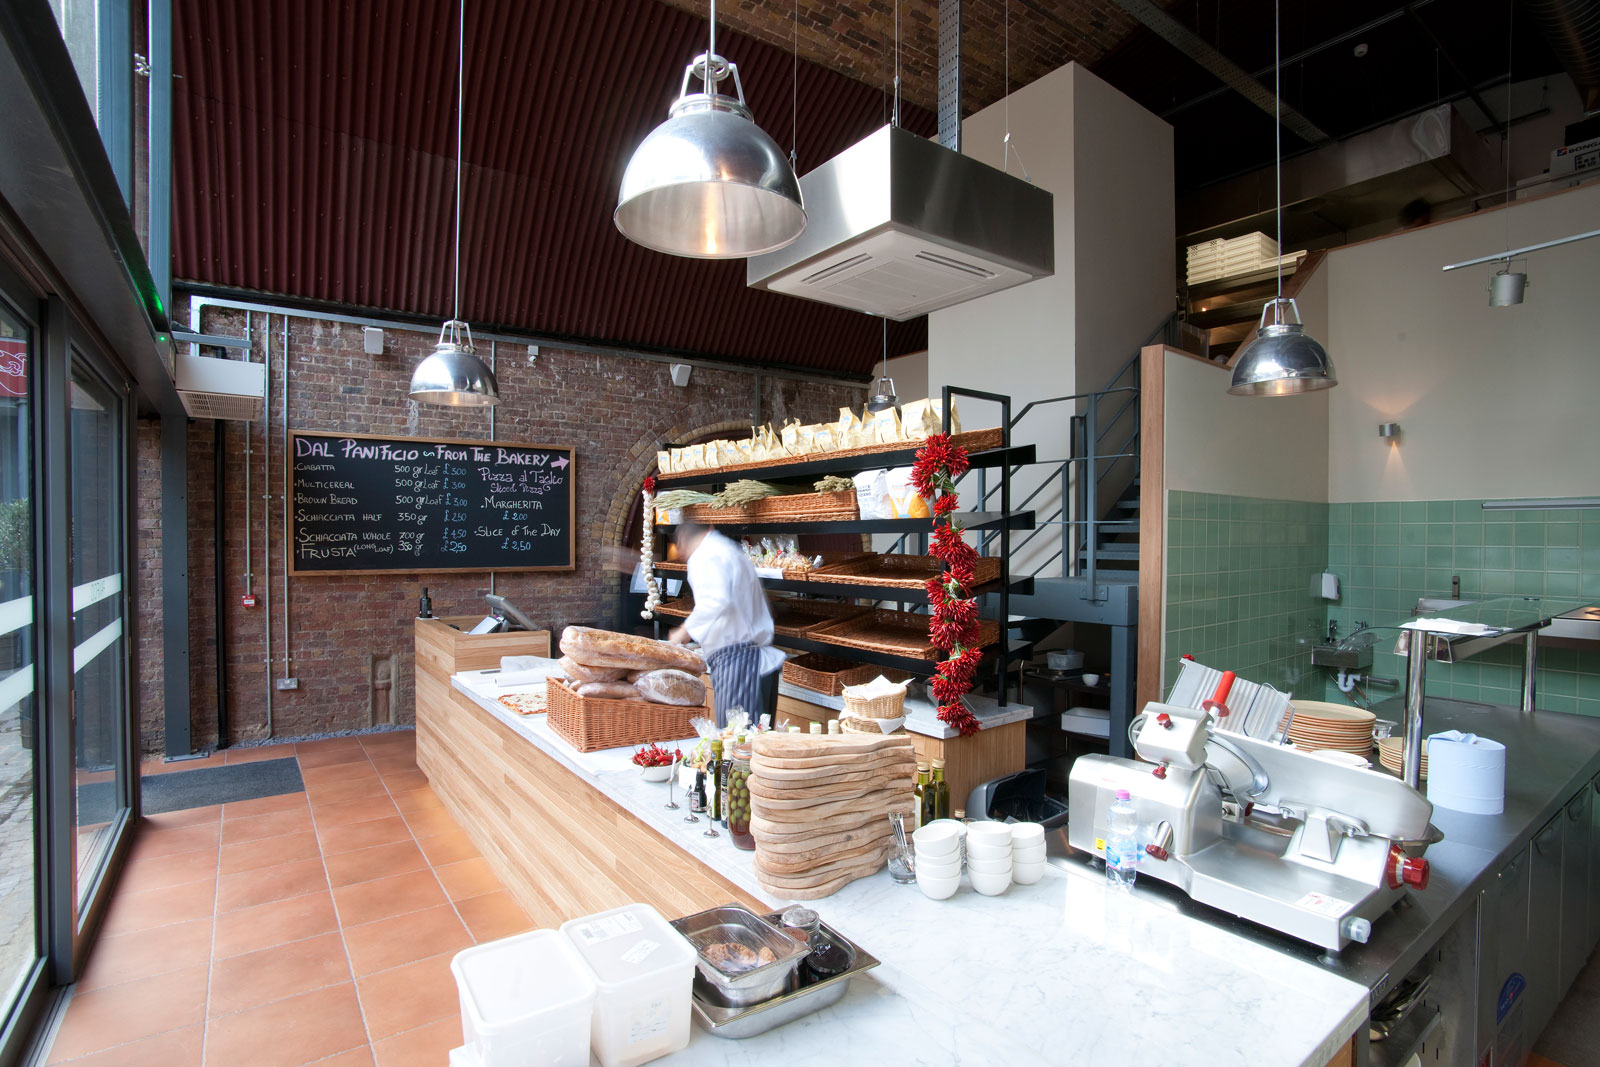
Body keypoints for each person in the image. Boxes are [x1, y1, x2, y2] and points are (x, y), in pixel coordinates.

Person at [667, 523, 783, 727]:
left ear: (683, 539)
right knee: (755, 744)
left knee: (737, 743)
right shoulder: (728, 549)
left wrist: (684, 631)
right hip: (752, 662)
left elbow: (715, 601)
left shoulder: (705, 555)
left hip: (740, 665)